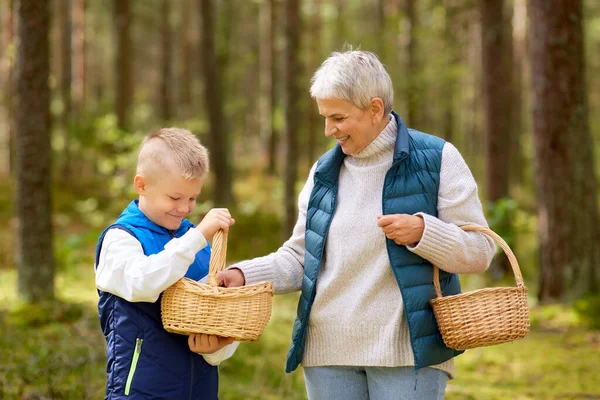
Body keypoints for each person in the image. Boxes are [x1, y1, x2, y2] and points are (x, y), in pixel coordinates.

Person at [218, 50, 495, 399]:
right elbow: (300, 257)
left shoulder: (438, 159)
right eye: (324, 117)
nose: (328, 130)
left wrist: (424, 233)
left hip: (406, 354)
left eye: (338, 117)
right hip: (326, 353)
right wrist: (244, 276)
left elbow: (480, 252)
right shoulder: (323, 172)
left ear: (375, 109)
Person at [94, 127, 237, 400]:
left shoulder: (196, 243)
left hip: (201, 391)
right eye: (175, 198)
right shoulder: (121, 240)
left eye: (193, 198)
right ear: (142, 185)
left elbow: (220, 314)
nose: (184, 208)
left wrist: (217, 348)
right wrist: (196, 238)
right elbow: (143, 283)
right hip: (140, 391)